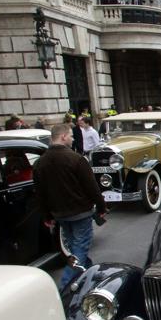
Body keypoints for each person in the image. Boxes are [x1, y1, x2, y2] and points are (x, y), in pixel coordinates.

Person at [33, 124, 107, 290]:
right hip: (79, 212)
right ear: (63, 137)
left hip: (60, 214)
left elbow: (40, 193)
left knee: (76, 247)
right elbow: (92, 187)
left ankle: (89, 274)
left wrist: (47, 216)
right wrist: (102, 208)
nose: (73, 139)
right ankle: (64, 287)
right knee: (79, 249)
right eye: (72, 136)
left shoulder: (39, 163)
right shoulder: (76, 159)